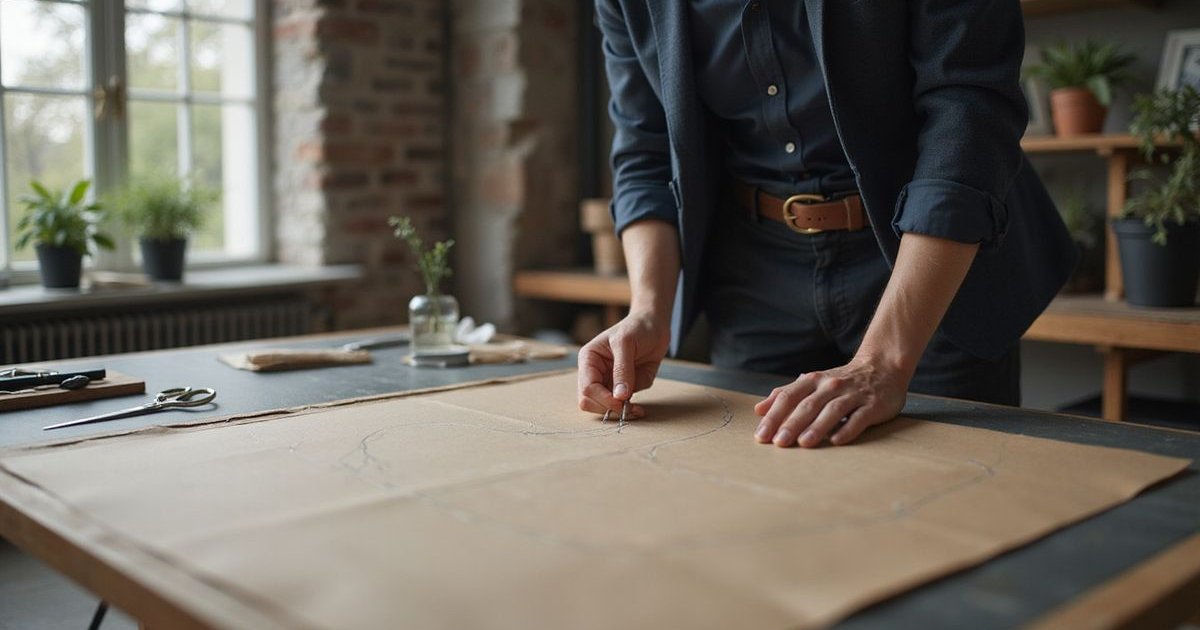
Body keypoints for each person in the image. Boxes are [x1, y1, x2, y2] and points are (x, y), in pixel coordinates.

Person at [576, 1, 1078, 448]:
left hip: (921, 262)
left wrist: (884, 361)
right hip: (755, 273)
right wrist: (648, 311)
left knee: (950, 489)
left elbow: (968, 117)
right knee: (758, 486)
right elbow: (645, 151)